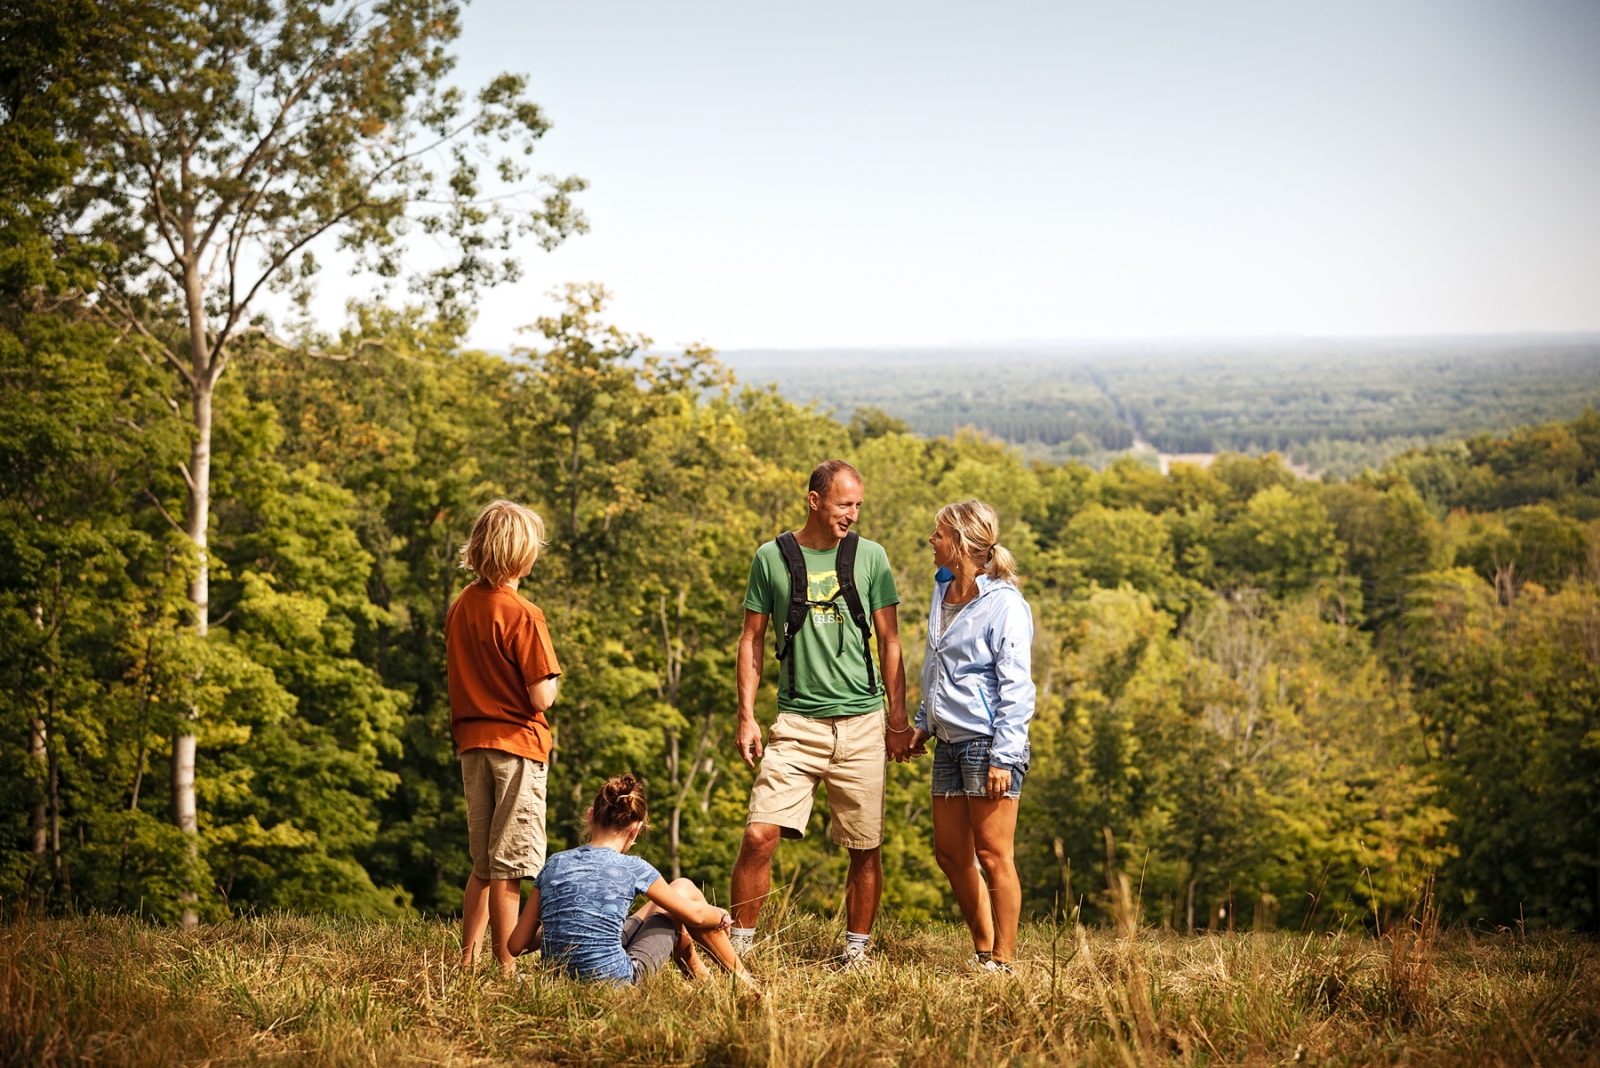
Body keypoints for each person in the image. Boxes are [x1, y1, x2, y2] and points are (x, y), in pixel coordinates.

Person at [728, 458, 912, 969]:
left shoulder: (870, 557)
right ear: (814, 501)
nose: (852, 514)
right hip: (796, 725)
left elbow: (891, 642)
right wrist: (746, 716)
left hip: (862, 724)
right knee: (758, 834)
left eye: (857, 505)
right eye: (843, 504)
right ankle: (737, 952)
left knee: (864, 844)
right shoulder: (772, 557)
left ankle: (857, 955)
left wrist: (897, 719)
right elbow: (751, 639)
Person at [910, 499, 1036, 972]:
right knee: (949, 853)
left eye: (938, 534)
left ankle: (1002, 961)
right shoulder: (942, 592)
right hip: (948, 742)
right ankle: (983, 950)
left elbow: (1017, 686)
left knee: (992, 853)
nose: (931, 540)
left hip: (988, 743)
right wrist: (923, 724)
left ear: (961, 544)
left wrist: (1004, 756)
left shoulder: (1004, 604)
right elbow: (938, 670)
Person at [446, 499, 562, 972]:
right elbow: (541, 697)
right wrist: (554, 680)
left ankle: (467, 959)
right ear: (524, 556)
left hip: (473, 746)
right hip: (517, 746)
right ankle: (505, 967)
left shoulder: (461, 607)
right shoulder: (524, 613)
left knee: (482, 863)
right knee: (511, 866)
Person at [508, 775, 755, 986]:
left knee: (677, 889)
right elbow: (696, 916)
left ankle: (706, 981)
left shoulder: (555, 862)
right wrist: (720, 916)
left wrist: (564, 923)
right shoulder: (633, 867)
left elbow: (516, 944)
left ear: (590, 816)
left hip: (556, 981)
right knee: (684, 891)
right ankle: (744, 982)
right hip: (618, 982)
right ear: (636, 830)